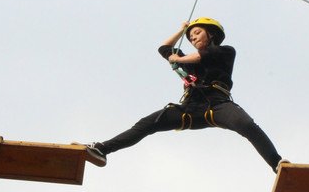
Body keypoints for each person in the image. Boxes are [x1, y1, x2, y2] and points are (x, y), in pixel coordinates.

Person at [85, 17, 286, 172]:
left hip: (217, 105)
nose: (193, 38)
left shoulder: (225, 51)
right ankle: (103, 149)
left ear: (211, 34)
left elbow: (199, 57)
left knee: (247, 125)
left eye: (197, 33)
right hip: (189, 108)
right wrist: (182, 30)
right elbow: (163, 48)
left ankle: (277, 164)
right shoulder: (188, 58)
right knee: (146, 124)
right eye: (190, 37)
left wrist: (176, 57)